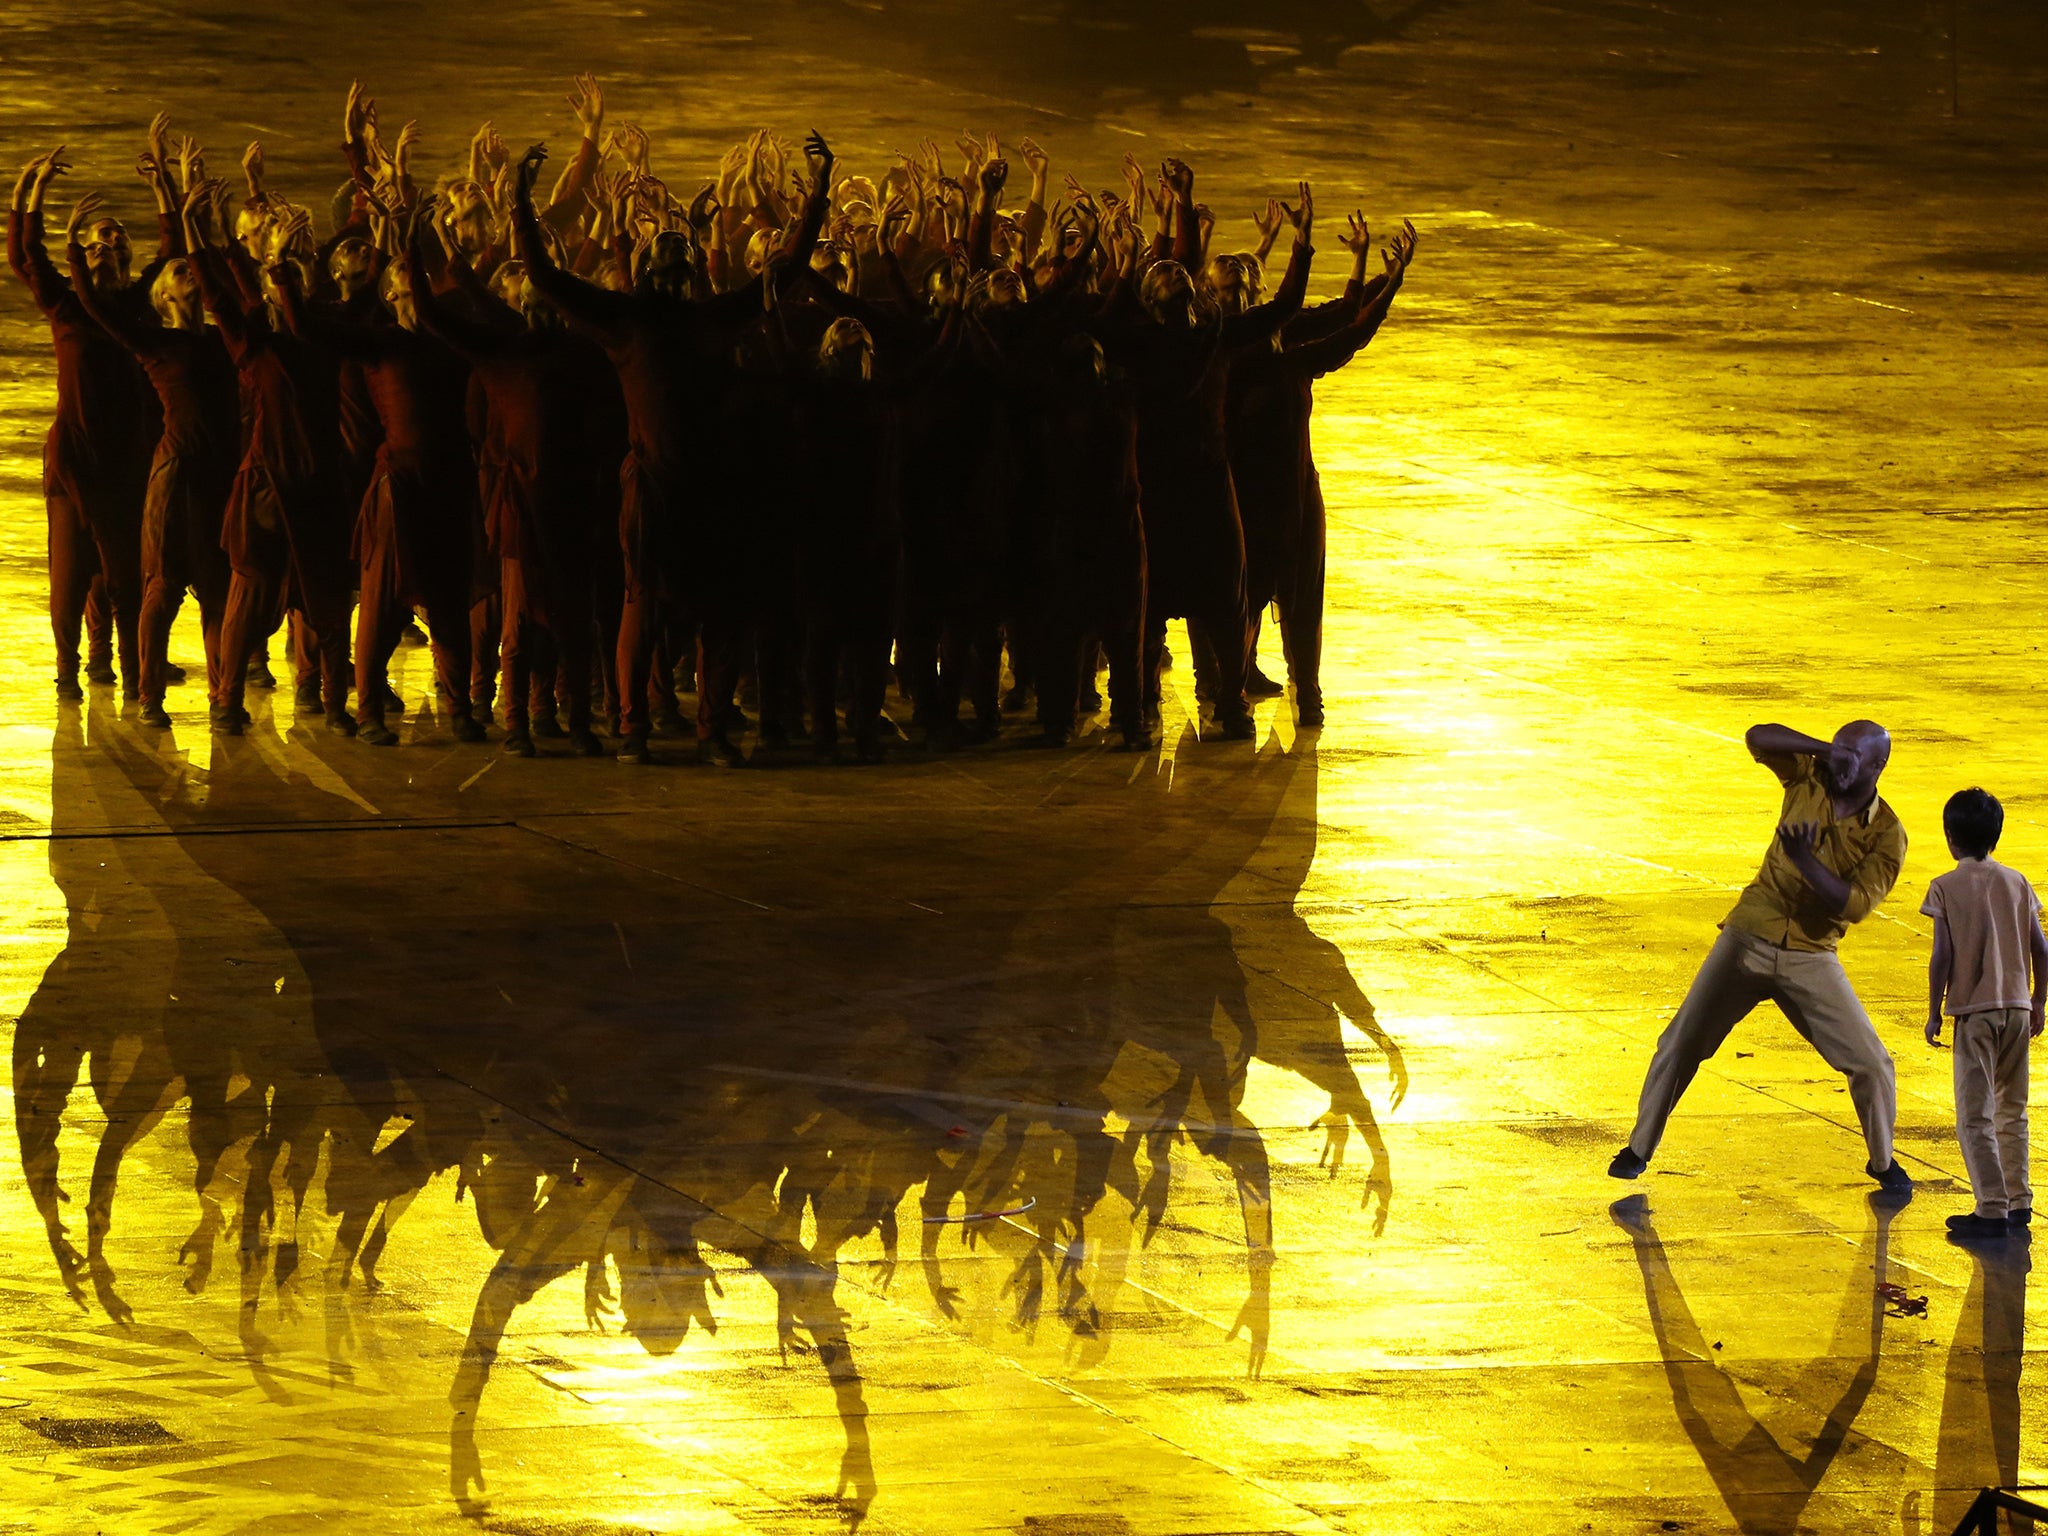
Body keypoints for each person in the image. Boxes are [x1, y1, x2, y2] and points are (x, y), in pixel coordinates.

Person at [1609, 721, 1910, 1191]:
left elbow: (1853, 905)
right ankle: (1638, 1148)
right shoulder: (1809, 775)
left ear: (1878, 766)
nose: (1843, 762)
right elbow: (1757, 737)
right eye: (1840, 750)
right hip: (1749, 933)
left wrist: (1805, 860)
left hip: (1811, 953)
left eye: (1855, 756)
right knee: (1681, 1042)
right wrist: (1822, 748)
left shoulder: (1887, 834)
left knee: (1871, 1062)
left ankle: (1883, 1162)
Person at [1922, 787, 2045, 1240]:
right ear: (1996, 834)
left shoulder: (1945, 887)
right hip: (2016, 1007)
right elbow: (2041, 948)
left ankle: (1990, 1206)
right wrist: (2038, 1000)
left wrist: (1934, 1011)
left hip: (1974, 1013)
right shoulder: (2017, 882)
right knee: (2012, 1109)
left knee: (1974, 1113)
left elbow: (1942, 956)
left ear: (1950, 836)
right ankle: (2020, 1200)